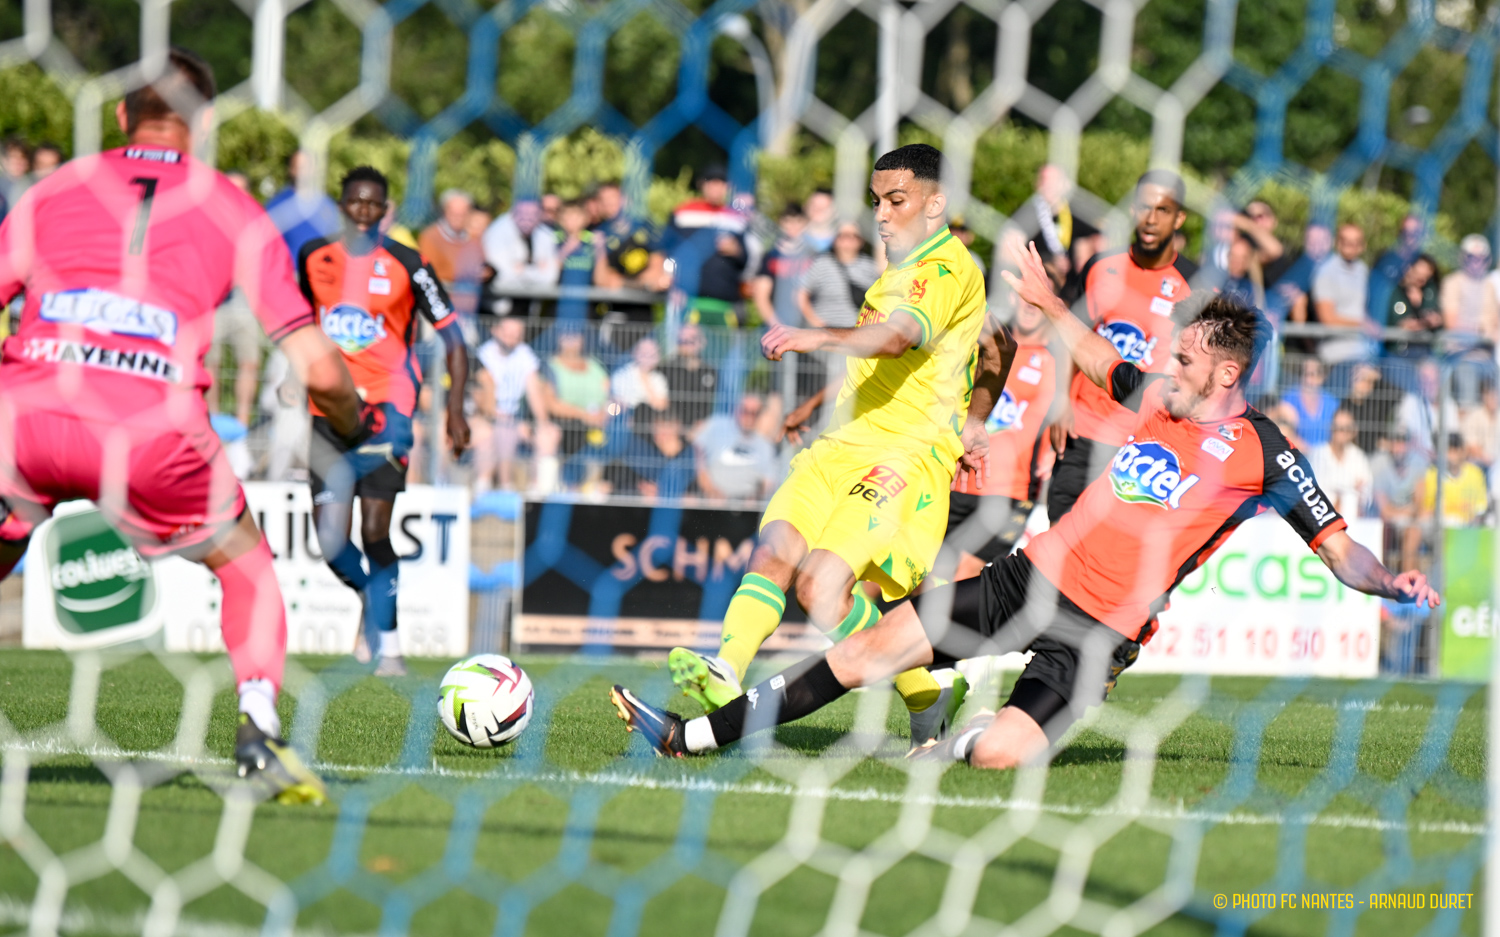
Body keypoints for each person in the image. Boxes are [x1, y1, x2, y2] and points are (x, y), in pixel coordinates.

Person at [609, 246, 1441, 766]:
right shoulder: (1157, 396)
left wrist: (1389, 583)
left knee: (998, 758)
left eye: (1185, 358)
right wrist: (1049, 310)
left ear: (1227, 374)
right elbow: (1095, 354)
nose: (1170, 365)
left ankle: (970, 729)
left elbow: (1337, 548)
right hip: (1027, 579)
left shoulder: (1267, 451)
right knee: (867, 650)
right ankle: (693, 736)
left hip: (1099, 632)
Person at [0, 48, 366, 802]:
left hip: (25, 413)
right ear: (201, 127)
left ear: (120, 115)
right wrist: (352, 421)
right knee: (248, 569)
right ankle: (258, 732)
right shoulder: (229, 203)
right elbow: (318, 367)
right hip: (149, 430)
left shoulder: (54, 188)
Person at [662, 143, 1004, 747]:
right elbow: (981, 348)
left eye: (896, 200)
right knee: (773, 553)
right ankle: (727, 669)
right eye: (876, 201)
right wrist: (820, 403)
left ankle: (926, 691)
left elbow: (899, 340)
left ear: (935, 202)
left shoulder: (948, 269)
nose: (881, 214)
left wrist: (811, 335)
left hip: (903, 456)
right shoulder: (899, 268)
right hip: (840, 443)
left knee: (821, 589)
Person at [297, 165, 470, 677]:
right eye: (356, 202)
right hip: (327, 411)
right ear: (342, 205)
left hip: (388, 411)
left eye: (375, 203)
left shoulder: (408, 264)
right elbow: (294, 322)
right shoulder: (313, 258)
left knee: (376, 531)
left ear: (386, 209)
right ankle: (374, 603)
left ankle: (389, 649)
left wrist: (455, 409)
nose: (365, 211)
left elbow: (454, 338)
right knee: (331, 540)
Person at [1046, 169, 1194, 525]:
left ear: (1179, 218)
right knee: (1060, 539)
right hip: (1083, 431)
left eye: (1162, 210)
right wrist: (1060, 400)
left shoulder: (1194, 285)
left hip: (1140, 443)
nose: (1150, 218)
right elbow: (1068, 334)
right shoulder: (1101, 267)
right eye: (1144, 207)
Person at [660, 165, 749, 328]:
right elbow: (665, 249)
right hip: (688, 298)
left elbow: (745, 259)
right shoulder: (683, 213)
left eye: (721, 183)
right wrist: (670, 279)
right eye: (711, 183)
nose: (716, 188)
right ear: (702, 185)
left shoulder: (736, 218)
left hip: (724, 301)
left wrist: (736, 250)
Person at [474, 316, 547, 493]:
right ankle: (495, 485)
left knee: (548, 435)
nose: (511, 338)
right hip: (484, 415)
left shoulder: (525, 355)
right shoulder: (482, 354)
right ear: (495, 330)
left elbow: (534, 392)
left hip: (514, 417)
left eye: (517, 334)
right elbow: (480, 395)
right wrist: (494, 414)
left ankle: (537, 492)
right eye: (507, 333)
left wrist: (543, 422)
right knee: (497, 431)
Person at [538, 327, 611, 491]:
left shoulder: (595, 365)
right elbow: (551, 404)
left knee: (617, 432)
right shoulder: (549, 366)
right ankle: (567, 486)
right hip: (566, 422)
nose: (571, 341)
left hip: (598, 422)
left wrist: (608, 413)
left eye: (575, 336)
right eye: (566, 335)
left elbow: (613, 400)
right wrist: (584, 414)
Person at [592, 181, 665, 322]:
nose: (608, 203)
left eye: (613, 198)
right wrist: (642, 284)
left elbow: (656, 275)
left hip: (645, 310)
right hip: (613, 310)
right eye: (603, 200)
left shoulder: (647, 227)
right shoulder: (599, 234)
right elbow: (602, 280)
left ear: (624, 199)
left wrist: (623, 283)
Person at [695, 393, 779, 501]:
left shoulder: (765, 446)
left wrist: (755, 496)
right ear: (737, 410)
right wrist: (709, 487)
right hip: (714, 500)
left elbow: (769, 481)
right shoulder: (717, 426)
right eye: (745, 411)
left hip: (746, 507)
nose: (749, 416)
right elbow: (696, 447)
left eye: (754, 413)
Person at [798, 221, 881, 328]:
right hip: (825, 332)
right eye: (842, 236)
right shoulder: (821, 264)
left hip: (858, 332)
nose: (847, 240)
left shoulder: (871, 267)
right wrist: (815, 322)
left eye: (853, 236)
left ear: (861, 240)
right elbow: (801, 295)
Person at [482, 198, 559, 312]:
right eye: (523, 213)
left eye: (533, 214)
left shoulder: (544, 234)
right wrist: (536, 270)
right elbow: (503, 278)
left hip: (529, 309)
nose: (527, 218)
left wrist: (522, 270)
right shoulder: (498, 231)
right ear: (513, 212)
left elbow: (550, 278)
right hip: (499, 309)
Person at [418, 189, 485, 317]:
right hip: (438, 309)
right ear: (445, 212)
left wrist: (487, 272)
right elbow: (430, 271)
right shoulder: (430, 237)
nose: (458, 218)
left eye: (462, 214)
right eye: (454, 213)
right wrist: (466, 272)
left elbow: (482, 265)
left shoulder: (473, 239)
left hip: (467, 310)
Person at [265, 149, 341, 261]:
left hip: (321, 271)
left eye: (308, 167)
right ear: (291, 170)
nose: (304, 172)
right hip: (291, 273)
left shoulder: (327, 203)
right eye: (300, 167)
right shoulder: (277, 205)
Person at [1312, 223, 1371, 362]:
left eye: (1355, 242)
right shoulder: (1326, 272)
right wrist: (1363, 324)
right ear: (1337, 242)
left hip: (1363, 349)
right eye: (1345, 241)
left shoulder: (1363, 270)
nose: (1350, 246)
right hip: (1336, 353)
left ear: (1363, 245)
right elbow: (1327, 318)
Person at [753, 202, 815, 328]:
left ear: (805, 223)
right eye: (788, 221)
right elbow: (761, 296)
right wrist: (777, 326)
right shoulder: (772, 256)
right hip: (777, 326)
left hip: (807, 326)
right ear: (781, 223)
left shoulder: (813, 255)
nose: (793, 226)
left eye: (798, 221)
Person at [1372, 427, 1426, 568]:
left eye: (1403, 442)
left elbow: (1419, 502)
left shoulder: (1418, 462)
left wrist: (1410, 511)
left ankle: (1409, 584)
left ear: (1409, 444)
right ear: (1389, 443)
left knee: (1414, 531)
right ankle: (1407, 584)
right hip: (1384, 520)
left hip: (1410, 519)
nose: (1399, 446)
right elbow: (1384, 510)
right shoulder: (1379, 464)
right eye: (1396, 441)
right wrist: (1407, 511)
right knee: (1406, 530)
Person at [1310, 408, 1373, 518]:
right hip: (1321, 515)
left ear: (1353, 432)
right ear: (1331, 429)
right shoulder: (1318, 454)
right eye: (1337, 428)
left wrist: (1344, 495)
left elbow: (1366, 492)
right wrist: (1349, 489)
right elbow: (1315, 489)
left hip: (1351, 515)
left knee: (1350, 500)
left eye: (1345, 429)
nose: (1341, 433)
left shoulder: (1358, 456)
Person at [1418, 433, 1490, 527]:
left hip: (1469, 526)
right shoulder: (1432, 474)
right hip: (1440, 526)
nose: (1452, 455)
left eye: (1455, 449)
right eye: (1448, 450)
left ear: (1462, 451)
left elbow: (1481, 506)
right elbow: (1426, 509)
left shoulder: (1475, 473)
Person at [1397, 358, 1460, 462]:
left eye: (1433, 381)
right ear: (1418, 382)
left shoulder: (1450, 404)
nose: (1430, 385)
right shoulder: (1410, 402)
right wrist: (1427, 454)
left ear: (1440, 381)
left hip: (1443, 459)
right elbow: (1406, 436)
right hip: (1415, 459)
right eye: (1425, 381)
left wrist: (1441, 455)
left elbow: (1452, 437)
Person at [660, 322, 719, 430]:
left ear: (702, 342)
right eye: (682, 340)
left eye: (691, 339)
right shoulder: (666, 369)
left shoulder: (711, 371)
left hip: (702, 430)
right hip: (672, 429)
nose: (686, 344)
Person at [1368, 214, 1424, 326]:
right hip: (1386, 330)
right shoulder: (1385, 261)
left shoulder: (1424, 263)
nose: (1409, 238)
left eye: (1414, 233)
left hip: (1417, 333)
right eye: (1405, 232)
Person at [1441, 235, 1496, 346]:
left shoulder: (1490, 284)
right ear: (1463, 257)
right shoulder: (1452, 283)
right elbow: (1451, 324)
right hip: (1459, 351)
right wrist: (1483, 332)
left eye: (1481, 257)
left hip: (1487, 353)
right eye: (1471, 257)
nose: (1476, 261)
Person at [1385, 253, 1442, 356]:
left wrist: (1435, 320)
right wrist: (1401, 325)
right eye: (1418, 276)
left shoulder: (1431, 292)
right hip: (1397, 351)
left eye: (1426, 278)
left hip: (1425, 351)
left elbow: (1439, 319)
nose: (1422, 281)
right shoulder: (1392, 291)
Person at [1342, 361, 1402, 456]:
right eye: (1359, 379)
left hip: (1380, 455)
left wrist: (1378, 378)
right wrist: (1380, 443)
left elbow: (1399, 395)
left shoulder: (1376, 400)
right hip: (1356, 456)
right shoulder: (1345, 407)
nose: (1364, 384)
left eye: (1369, 381)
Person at [552, 198, 596, 320]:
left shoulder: (594, 241)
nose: (571, 221)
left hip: (587, 304)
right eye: (566, 217)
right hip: (560, 303)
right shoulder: (554, 240)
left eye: (575, 217)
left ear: (586, 219)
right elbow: (550, 269)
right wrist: (566, 249)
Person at [1280, 357, 1339, 446]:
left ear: (1322, 377)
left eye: (1312, 374)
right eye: (1304, 373)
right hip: (1297, 452)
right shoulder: (1289, 398)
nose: (1308, 379)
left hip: (1325, 455)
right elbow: (1283, 430)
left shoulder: (1332, 402)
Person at [1461, 379, 1496, 477]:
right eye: (1491, 395)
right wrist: (1490, 460)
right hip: (1478, 465)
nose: (1495, 398)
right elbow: (1471, 447)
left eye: (1496, 394)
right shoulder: (1474, 416)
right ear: (1484, 395)